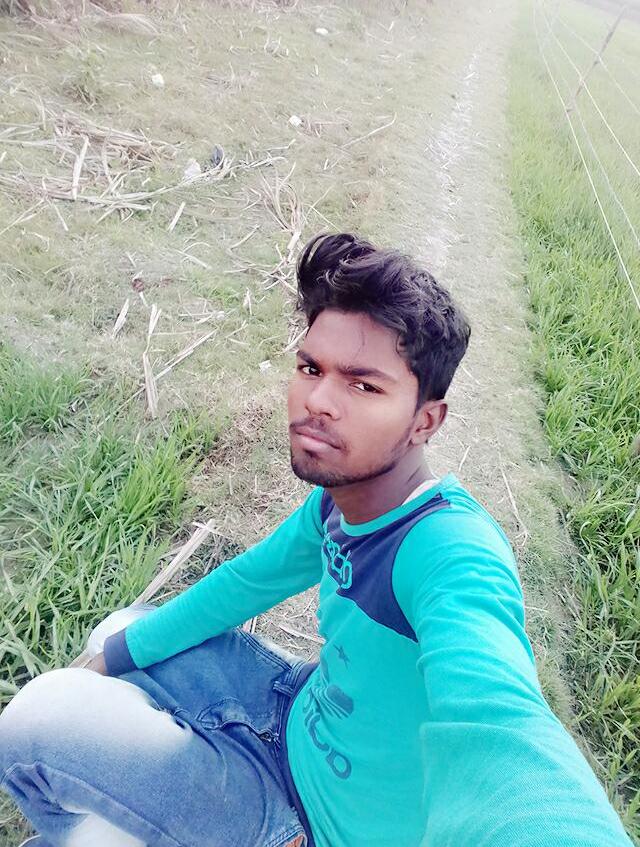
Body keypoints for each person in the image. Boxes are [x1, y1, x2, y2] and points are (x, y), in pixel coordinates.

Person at [0, 232, 632, 847]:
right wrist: (111, 659)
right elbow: (245, 583)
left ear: (425, 421)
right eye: (310, 368)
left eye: (364, 385)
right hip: (295, 714)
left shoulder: (451, 553)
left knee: (35, 722)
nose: (318, 400)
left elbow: (501, 730)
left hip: (325, 826)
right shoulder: (337, 502)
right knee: (118, 636)